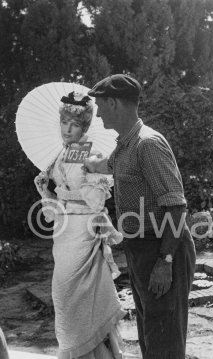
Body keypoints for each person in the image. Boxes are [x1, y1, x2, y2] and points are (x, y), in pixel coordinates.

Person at [84, 74, 196, 358]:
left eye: (99, 106)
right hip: (140, 248)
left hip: (161, 247)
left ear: (114, 103)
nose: (97, 114)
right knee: (151, 329)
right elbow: (102, 165)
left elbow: (176, 206)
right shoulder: (125, 145)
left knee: (164, 336)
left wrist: (165, 261)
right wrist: (74, 156)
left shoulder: (148, 144)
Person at [33, 91, 125, 358]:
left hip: (83, 229)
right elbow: (57, 201)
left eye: (74, 125)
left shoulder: (89, 153)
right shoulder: (60, 154)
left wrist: (75, 187)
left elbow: (96, 200)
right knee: (62, 294)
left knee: (75, 294)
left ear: (84, 126)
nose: (67, 129)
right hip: (62, 231)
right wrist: (46, 192)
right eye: (64, 123)